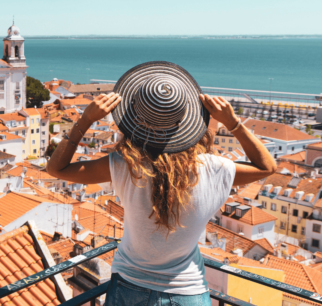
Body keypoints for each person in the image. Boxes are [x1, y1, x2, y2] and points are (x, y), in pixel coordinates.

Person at [46, 61, 276, 306]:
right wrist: (234, 123)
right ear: (188, 120)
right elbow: (266, 166)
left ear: (134, 121)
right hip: (187, 291)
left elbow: (56, 168)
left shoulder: (126, 166)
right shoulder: (213, 168)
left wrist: (85, 120)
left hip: (130, 286)